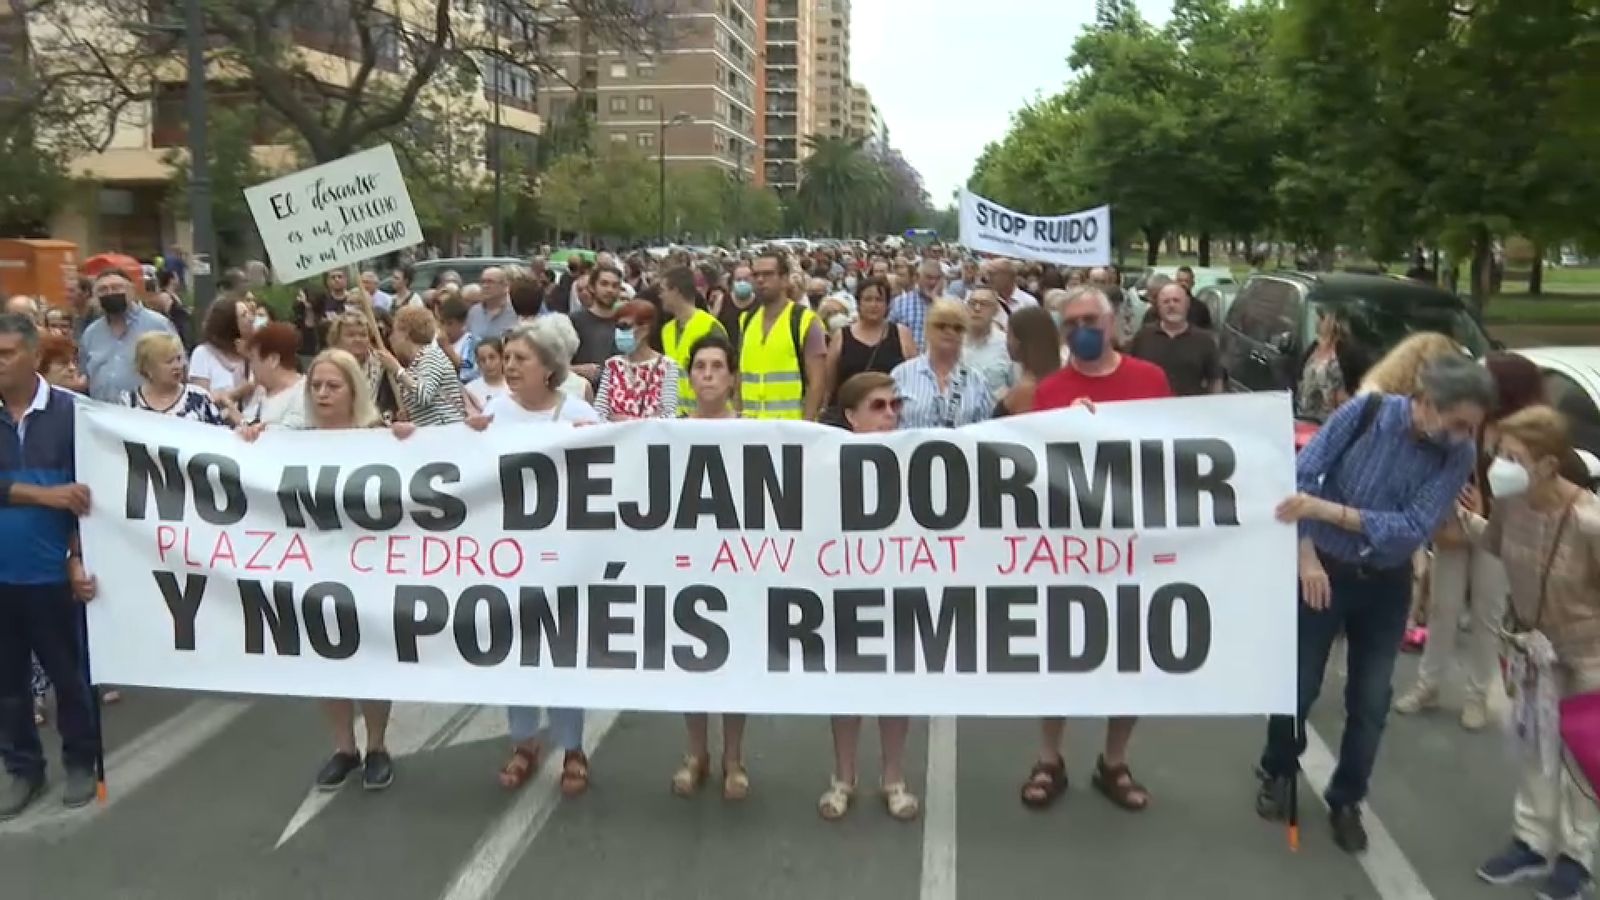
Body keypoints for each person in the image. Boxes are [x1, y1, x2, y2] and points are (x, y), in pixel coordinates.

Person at [1259, 354, 1495, 853]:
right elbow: (1298, 478)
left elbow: (1411, 528)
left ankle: (1347, 798)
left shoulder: (1456, 454)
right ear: (1427, 403)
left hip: (1386, 584)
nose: (1463, 435)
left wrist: (1327, 510)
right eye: (1457, 423)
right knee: (1296, 686)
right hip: (1319, 570)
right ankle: (1278, 766)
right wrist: (1306, 555)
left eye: (1471, 427)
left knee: (1370, 701)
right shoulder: (1363, 414)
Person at [1021, 286, 1171, 813]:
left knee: (1128, 655)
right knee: (1060, 654)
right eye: (1072, 322)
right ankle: (1049, 759)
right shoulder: (1051, 390)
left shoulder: (1150, 381)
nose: (1082, 328)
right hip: (1069, 547)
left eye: (1091, 319)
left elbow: (1170, 454)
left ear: (1113, 325)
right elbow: (1036, 472)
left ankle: (1114, 761)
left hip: (1132, 542)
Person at [242, 350, 413, 792]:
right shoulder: (291, 439)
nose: (321, 393)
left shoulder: (380, 436)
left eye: (332, 386)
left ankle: (376, 747)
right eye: (315, 385)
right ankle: (343, 748)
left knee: (372, 658)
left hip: (371, 566)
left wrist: (412, 441)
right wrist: (248, 438)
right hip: (312, 568)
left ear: (353, 390)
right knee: (326, 659)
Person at [1463, 407, 1600, 900]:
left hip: (1588, 660)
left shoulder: (1589, 521)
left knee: (1583, 762)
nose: (1500, 464)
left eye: (1514, 457)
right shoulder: (1509, 503)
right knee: (1535, 751)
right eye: (1500, 453)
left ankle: (1578, 857)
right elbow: (1494, 544)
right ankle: (1532, 841)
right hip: (1529, 653)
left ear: (1547, 465)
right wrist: (1459, 516)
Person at [464, 323, 596, 796]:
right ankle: (523, 741)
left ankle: (573, 748)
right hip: (508, 558)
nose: (510, 366)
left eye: (522, 358)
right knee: (516, 652)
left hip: (563, 558)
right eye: (508, 356)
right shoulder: (494, 414)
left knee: (561, 652)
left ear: (550, 368)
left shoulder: (578, 413)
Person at [1395, 352, 1546, 729]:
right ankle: (1428, 684)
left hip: (1499, 531)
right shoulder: (1473, 421)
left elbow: (1533, 494)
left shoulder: (1528, 434)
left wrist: (1489, 507)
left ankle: (1477, 695)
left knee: (1486, 612)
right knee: (1443, 606)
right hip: (1456, 522)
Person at [0, 313, 99, 819]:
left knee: (70, 676)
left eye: (6, 354)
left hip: (52, 575)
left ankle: (82, 762)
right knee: (8, 685)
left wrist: (77, 555)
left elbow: (95, 494)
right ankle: (23, 769)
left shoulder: (73, 415)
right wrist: (44, 494)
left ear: (35, 357)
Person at [817, 370, 920, 823]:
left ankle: (893, 778)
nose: (890, 415)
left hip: (899, 586)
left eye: (895, 405)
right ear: (851, 417)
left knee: (896, 686)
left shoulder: (918, 455)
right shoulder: (824, 463)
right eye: (878, 407)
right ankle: (843, 778)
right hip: (844, 589)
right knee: (847, 687)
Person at [670, 334, 751, 800]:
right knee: (690, 663)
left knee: (735, 663)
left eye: (717, 366)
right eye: (700, 366)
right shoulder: (670, 432)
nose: (708, 374)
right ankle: (695, 754)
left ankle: (734, 758)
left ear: (732, 378)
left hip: (738, 566)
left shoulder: (754, 432)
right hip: (686, 564)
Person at [740, 251, 827, 421]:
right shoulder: (746, 320)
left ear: (785, 279)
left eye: (768, 274)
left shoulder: (804, 321)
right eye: (756, 275)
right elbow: (739, 377)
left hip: (789, 428)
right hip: (750, 427)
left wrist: (805, 425)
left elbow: (817, 383)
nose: (760, 280)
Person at [889, 299, 993, 429]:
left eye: (957, 328)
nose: (949, 332)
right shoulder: (900, 375)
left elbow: (984, 432)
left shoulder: (977, 381)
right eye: (941, 326)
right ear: (927, 329)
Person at [77, 270, 175, 403]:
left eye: (117, 288)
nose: (110, 293)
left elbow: (179, 368)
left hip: (148, 414)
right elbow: (84, 376)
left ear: (132, 290)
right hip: (103, 414)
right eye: (103, 290)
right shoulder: (91, 333)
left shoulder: (158, 325)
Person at [825, 277, 914, 415]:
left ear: (887, 304)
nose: (873, 305)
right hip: (848, 418)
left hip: (890, 416)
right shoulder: (841, 336)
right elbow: (828, 385)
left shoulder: (902, 334)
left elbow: (913, 379)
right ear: (858, 303)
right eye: (868, 299)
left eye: (879, 300)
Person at [1129, 282, 1223, 396]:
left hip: (1190, 409)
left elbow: (1215, 379)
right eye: (1166, 301)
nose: (1171, 305)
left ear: (1187, 304)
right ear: (1158, 306)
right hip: (1151, 408)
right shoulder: (1143, 336)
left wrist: (1213, 406)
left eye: (1176, 300)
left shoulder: (1204, 340)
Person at [595, 297, 679, 421]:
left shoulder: (667, 366)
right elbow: (599, 413)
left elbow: (669, 415)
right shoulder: (612, 365)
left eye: (625, 326)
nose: (619, 332)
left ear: (645, 329)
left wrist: (626, 421)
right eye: (617, 326)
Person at [383, 305, 467, 427]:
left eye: (393, 332)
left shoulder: (431, 355)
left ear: (405, 332)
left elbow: (424, 396)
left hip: (446, 434)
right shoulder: (413, 367)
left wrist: (397, 370)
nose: (391, 339)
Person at [658, 266, 725, 416]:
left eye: (663, 290)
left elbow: (723, 375)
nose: (660, 296)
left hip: (706, 417)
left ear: (675, 291)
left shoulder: (709, 326)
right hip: (677, 417)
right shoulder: (667, 331)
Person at [124, 332, 230, 425]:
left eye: (179, 359)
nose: (178, 366)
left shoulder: (200, 398)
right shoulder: (128, 401)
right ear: (148, 368)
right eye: (169, 361)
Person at [328, 312, 401, 423]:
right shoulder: (327, 367)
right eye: (351, 335)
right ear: (337, 339)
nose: (358, 339)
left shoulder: (384, 365)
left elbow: (392, 404)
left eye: (363, 335)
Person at [188, 298, 255, 411]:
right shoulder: (203, 354)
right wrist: (240, 391)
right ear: (229, 325)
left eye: (249, 313)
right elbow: (201, 402)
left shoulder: (256, 352)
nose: (251, 319)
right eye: (244, 315)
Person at [993, 307, 1061, 417]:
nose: (1007, 341)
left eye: (1009, 334)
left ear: (1019, 341)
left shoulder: (1027, 391)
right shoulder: (1053, 382)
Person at [241, 323, 307, 430]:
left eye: (253, 359)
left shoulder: (302, 393)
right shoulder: (261, 391)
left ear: (273, 360)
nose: (251, 367)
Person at [570, 264, 625, 387]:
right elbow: (554, 367)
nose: (610, 290)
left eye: (615, 285)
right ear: (592, 287)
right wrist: (579, 370)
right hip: (584, 397)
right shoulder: (574, 321)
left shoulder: (625, 323)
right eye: (604, 284)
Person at [1298, 310, 1351, 421]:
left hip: (1331, 421)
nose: (1317, 321)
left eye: (1322, 317)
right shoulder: (1313, 348)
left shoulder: (1346, 352)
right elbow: (1299, 377)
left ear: (1334, 321)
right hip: (1304, 419)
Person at [962, 289, 1014, 397]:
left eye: (984, 304)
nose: (977, 308)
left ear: (995, 311)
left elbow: (1016, 387)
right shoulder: (952, 342)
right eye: (972, 303)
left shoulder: (1007, 344)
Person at [888, 259, 945, 351]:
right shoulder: (900, 303)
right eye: (929, 278)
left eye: (937, 278)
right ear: (917, 277)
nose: (933, 283)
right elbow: (889, 334)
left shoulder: (951, 304)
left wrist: (937, 301)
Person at [466, 268, 519, 341]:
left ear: (505, 286)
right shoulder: (474, 312)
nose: (485, 286)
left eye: (490, 282)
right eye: (483, 282)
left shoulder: (516, 310)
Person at [437, 298, 479, 384]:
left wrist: (447, 348)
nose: (445, 328)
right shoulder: (435, 341)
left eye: (450, 323)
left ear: (463, 322)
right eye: (442, 322)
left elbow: (467, 372)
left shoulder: (471, 342)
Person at [463, 337, 508, 415]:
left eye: (492, 357)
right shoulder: (470, 389)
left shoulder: (515, 386)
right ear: (478, 363)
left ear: (502, 358)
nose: (488, 363)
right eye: (482, 360)